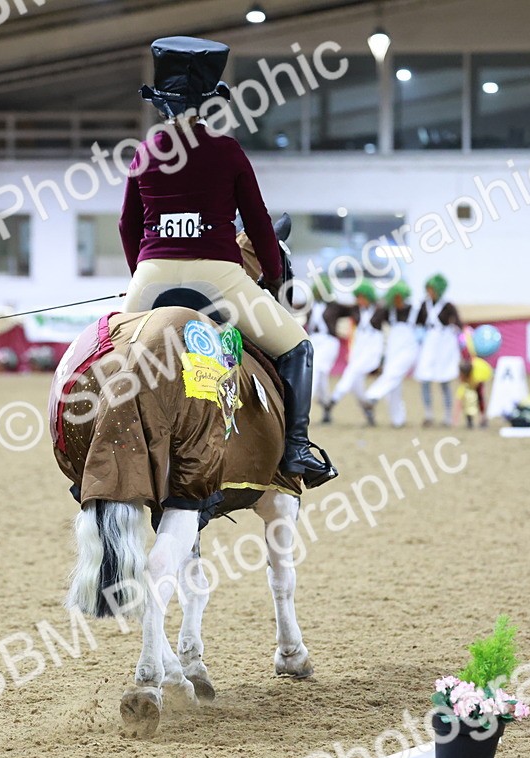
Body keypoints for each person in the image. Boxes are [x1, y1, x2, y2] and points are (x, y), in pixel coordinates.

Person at [119, 36, 337, 487]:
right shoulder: (226, 150)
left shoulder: (145, 152)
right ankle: (296, 450)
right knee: (298, 348)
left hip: (152, 276)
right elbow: (258, 225)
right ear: (207, 103)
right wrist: (273, 276)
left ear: (161, 104)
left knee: (112, 363)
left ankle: (104, 454)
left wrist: (140, 274)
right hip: (218, 276)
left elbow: (127, 224)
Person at [326, 281, 385, 426]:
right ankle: (368, 412)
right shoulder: (355, 310)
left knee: (351, 372)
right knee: (356, 386)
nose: (359, 300)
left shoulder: (380, 310)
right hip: (359, 348)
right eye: (358, 297)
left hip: (372, 349)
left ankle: (334, 399)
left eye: (362, 297)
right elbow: (338, 308)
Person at [361, 281, 419, 428]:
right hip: (393, 350)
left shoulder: (415, 309)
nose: (397, 301)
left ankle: (372, 396)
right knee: (393, 385)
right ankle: (397, 420)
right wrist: (383, 304)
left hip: (409, 350)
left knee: (392, 374)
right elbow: (374, 321)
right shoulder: (389, 311)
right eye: (395, 298)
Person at [413, 273, 462, 427]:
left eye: (432, 289)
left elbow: (459, 324)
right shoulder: (423, 305)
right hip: (428, 343)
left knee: (444, 380)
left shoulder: (448, 306)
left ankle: (448, 416)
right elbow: (418, 323)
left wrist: (457, 335)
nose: (429, 292)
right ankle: (428, 414)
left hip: (444, 344)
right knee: (425, 378)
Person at [306, 275, 355, 423]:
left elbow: (353, 308)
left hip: (329, 341)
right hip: (313, 339)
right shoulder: (311, 305)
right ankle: (326, 404)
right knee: (319, 373)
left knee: (315, 369)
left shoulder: (335, 306)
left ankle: (305, 409)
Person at [452, 358, 493, 429]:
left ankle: (483, 419)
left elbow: (478, 389)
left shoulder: (478, 374)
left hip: (479, 378)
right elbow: (459, 399)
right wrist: (455, 418)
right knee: (468, 399)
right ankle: (470, 419)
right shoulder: (464, 378)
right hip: (472, 379)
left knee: (479, 399)